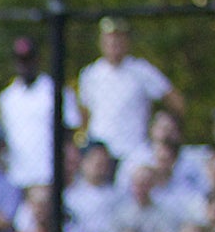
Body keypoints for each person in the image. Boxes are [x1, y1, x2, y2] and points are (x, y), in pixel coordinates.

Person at [77, 18, 181, 164]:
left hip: (134, 152)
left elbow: (175, 101)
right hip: (100, 155)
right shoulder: (90, 74)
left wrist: (163, 129)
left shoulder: (142, 71)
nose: (114, 43)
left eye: (119, 38)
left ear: (127, 41)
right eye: (110, 38)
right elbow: (84, 113)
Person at [0, 36, 81, 192]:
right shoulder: (7, 97)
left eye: (28, 59)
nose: (24, 65)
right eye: (20, 60)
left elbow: (69, 133)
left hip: (51, 175)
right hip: (17, 177)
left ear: (37, 59)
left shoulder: (56, 90)